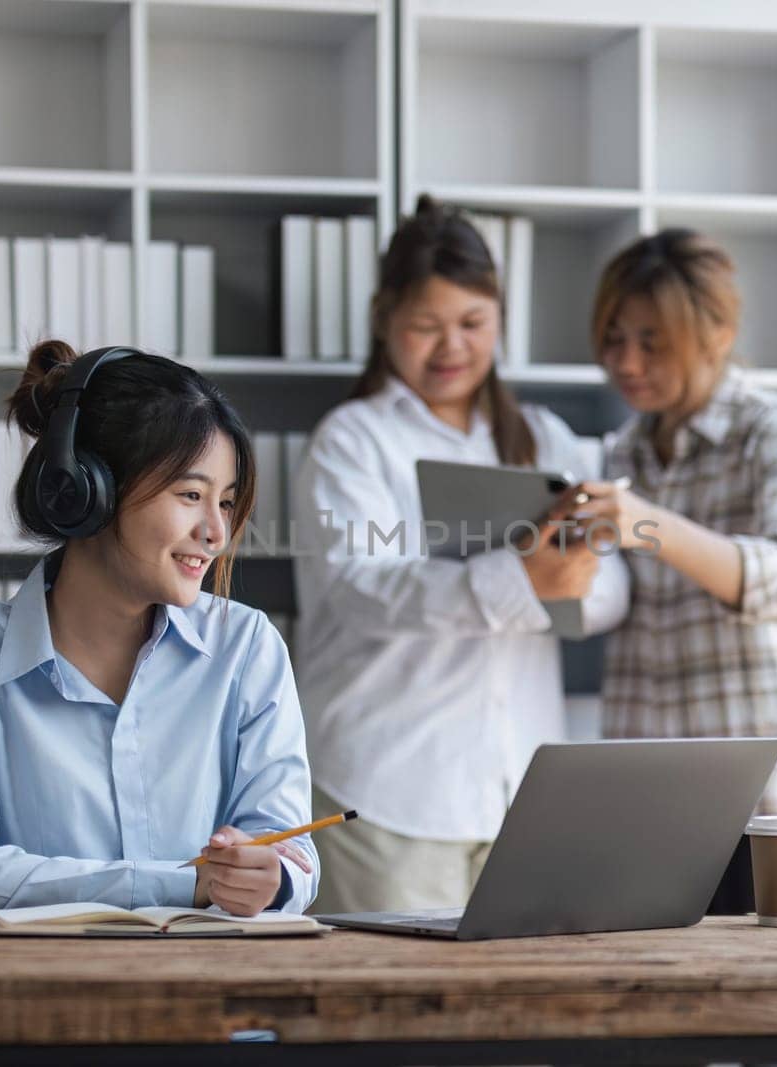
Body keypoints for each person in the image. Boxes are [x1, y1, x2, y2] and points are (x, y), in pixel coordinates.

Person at [291, 195, 629, 914]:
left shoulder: (544, 438)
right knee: (390, 1018)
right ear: (386, 320)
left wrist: (560, 581)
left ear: (501, 320)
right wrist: (525, 579)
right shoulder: (352, 440)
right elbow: (361, 589)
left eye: (473, 324)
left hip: (523, 799)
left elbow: (614, 590)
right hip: (387, 793)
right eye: (426, 326)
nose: (451, 348)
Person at [0, 342, 319, 920]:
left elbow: (293, 850)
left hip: (211, 984)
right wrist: (180, 885)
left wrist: (271, 878)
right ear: (85, 492)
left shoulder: (246, 648)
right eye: (191, 496)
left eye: (224, 504)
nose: (216, 533)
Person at [569, 229, 777, 913]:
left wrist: (645, 523)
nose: (626, 361)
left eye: (652, 341)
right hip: (658, 811)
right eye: (613, 339)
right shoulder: (624, 455)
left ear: (718, 334)